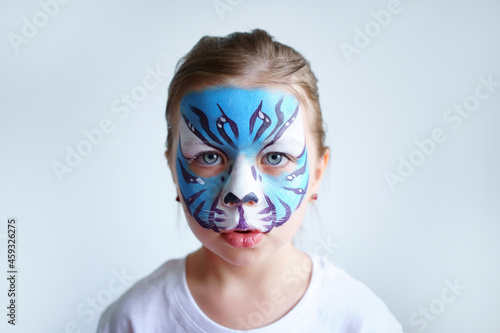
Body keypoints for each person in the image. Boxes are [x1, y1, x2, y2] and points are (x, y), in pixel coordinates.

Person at [97, 28, 403, 332]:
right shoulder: (133, 320)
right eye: (208, 157)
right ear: (173, 171)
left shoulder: (360, 321)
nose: (241, 193)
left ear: (318, 175)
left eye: (275, 158)